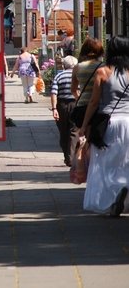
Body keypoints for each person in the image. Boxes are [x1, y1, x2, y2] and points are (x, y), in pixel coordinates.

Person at [78, 36, 129, 217]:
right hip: (128, 122)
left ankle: (110, 198)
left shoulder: (103, 72)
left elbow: (93, 102)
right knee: (125, 161)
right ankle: (125, 188)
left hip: (109, 123)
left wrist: (84, 125)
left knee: (105, 163)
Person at [50, 55, 79, 166]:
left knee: (63, 132)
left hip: (61, 105)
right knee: (74, 131)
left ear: (64, 65)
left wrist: (54, 109)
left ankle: (67, 156)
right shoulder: (78, 76)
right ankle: (71, 158)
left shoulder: (59, 76)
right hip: (75, 104)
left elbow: (54, 93)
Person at [71, 38, 105, 124]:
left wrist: (79, 98)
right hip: (101, 104)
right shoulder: (104, 67)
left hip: (83, 105)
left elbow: (73, 90)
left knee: (84, 133)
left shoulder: (77, 67)